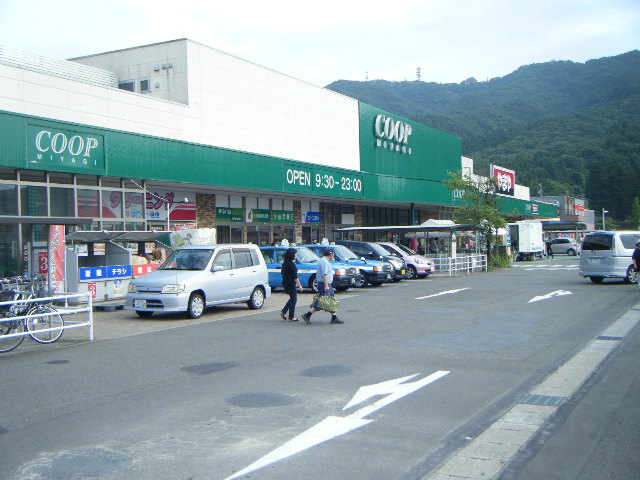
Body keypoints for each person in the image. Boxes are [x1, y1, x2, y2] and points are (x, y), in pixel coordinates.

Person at [301, 247, 344, 325]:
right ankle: (307, 315)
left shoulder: (325, 261)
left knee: (331, 300)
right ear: (330, 254)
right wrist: (326, 285)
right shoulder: (324, 261)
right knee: (322, 302)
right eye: (333, 253)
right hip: (324, 284)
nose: (334, 255)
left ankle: (334, 317)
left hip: (328, 283)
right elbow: (325, 274)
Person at [280, 248, 303, 322]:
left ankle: (284, 311)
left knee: (292, 298)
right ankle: (291, 317)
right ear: (292, 255)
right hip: (291, 283)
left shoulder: (285, 263)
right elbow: (295, 277)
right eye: (295, 254)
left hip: (285, 283)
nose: (296, 255)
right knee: (294, 299)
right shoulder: (291, 264)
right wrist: (300, 286)